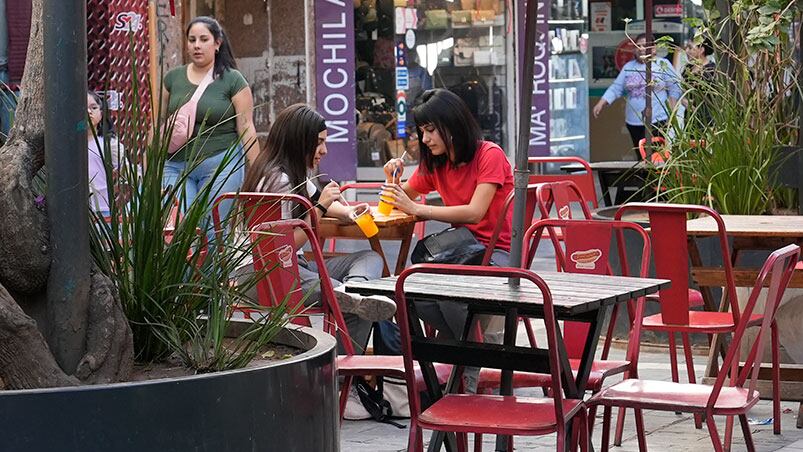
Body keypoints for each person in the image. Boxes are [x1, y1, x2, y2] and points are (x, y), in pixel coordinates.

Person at [381, 88, 513, 391]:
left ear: (452, 124)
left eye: (430, 131)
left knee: (446, 289)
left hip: (498, 252)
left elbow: (476, 212)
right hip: (459, 252)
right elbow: (404, 199)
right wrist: (393, 178)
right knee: (409, 291)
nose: (425, 139)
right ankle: (469, 348)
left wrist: (419, 209)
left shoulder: (488, 154)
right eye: (421, 132)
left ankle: (466, 364)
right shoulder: (436, 162)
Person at [240, 104, 395, 349]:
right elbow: (279, 248)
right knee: (347, 297)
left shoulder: (294, 171)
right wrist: (320, 209)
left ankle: (351, 291)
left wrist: (348, 211)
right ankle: (344, 373)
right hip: (265, 274)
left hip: (293, 268)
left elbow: (321, 202)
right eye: (320, 142)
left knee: (370, 257)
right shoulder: (276, 180)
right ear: (299, 141)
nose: (324, 150)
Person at [160, 16, 257, 213]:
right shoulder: (172, 79)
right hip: (175, 165)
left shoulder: (233, 80)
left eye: (204, 39)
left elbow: (246, 127)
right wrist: (150, 167)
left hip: (220, 165)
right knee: (179, 228)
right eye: (192, 40)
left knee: (212, 229)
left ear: (217, 43)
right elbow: (158, 124)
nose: (197, 45)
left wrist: (258, 172)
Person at [593, 34, 682, 151]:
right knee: (641, 155)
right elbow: (616, 87)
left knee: (658, 154)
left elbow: (675, 88)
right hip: (634, 121)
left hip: (659, 119)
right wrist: (601, 103)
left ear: (654, 48)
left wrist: (672, 110)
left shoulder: (662, 64)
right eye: (637, 46)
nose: (640, 49)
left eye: (644, 46)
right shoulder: (628, 67)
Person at [87, 90, 125, 217]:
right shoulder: (66, 145)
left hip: (103, 210)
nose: (88, 112)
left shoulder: (110, 145)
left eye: (93, 107)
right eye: (82, 107)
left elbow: (128, 171)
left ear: (101, 113)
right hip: (73, 209)